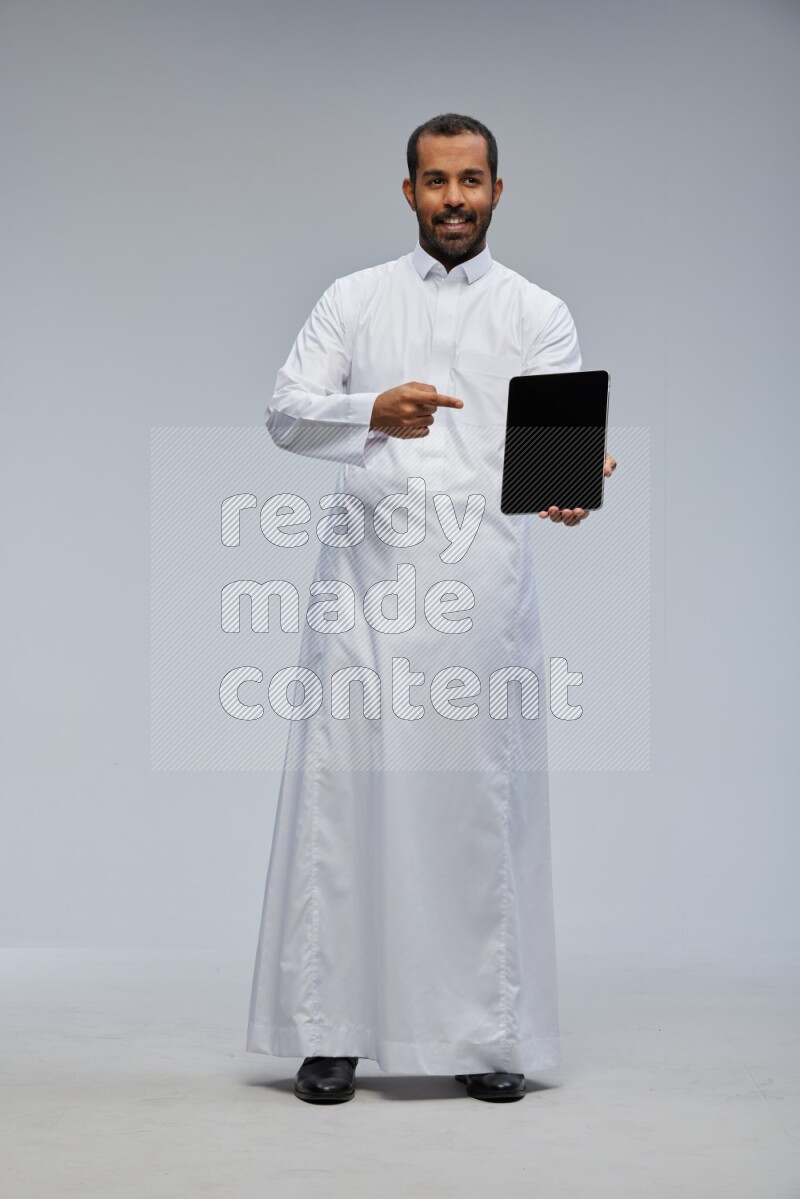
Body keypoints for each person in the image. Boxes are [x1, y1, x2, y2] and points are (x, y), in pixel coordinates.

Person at [247, 112, 617, 1104]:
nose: (453, 198)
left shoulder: (538, 312)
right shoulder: (353, 299)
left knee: (473, 810)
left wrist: (571, 485)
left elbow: (548, 464)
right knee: (348, 801)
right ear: (406, 191)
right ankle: (330, 1031)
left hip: (482, 593)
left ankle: (483, 1030)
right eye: (434, 180)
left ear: (497, 190)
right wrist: (368, 410)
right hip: (366, 588)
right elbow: (285, 407)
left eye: (471, 180)